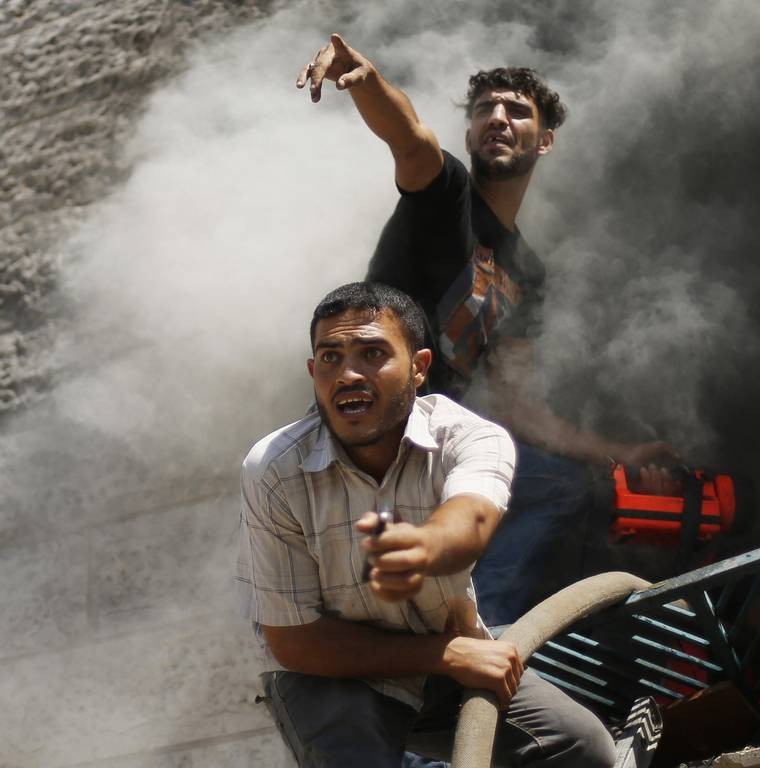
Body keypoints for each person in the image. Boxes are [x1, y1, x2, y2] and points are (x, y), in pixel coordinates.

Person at [297, 36, 679, 628]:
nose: (497, 118)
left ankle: (496, 635)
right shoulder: (446, 195)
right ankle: (481, 640)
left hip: (436, 444)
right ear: (472, 135)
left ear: (544, 139)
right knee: (547, 489)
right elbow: (411, 138)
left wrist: (620, 456)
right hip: (375, 428)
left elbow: (514, 402)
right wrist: (367, 81)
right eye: (484, 110)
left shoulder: (528, 275)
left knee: (564, 486)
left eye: (517, 110)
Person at [235, 282, 616, 767]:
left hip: (449, 655)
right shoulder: (273, 469)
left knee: (581, 747)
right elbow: (295, 642)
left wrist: (425, 546)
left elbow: (473, 517)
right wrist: (444, 655)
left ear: (419, 368)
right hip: (331, 671)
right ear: (313, 373)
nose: (347, 374)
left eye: (372, 353)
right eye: (330, 358)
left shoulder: (471, 436)